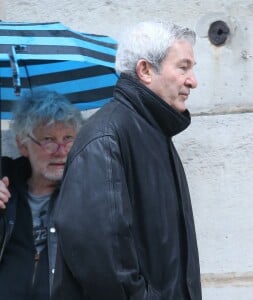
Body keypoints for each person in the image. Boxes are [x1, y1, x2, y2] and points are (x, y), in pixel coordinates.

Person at [52, 21, 202, 300]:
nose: (193, 80)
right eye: (183, 67)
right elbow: (102, 263)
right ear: (145, 70)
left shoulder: (155, 131)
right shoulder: (106, 139)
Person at [0, 89, 83, 300]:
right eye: (48, 139)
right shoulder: (5, 181)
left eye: (68, 138)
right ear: (22, 144)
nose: (61, 150)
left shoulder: (88, 191)